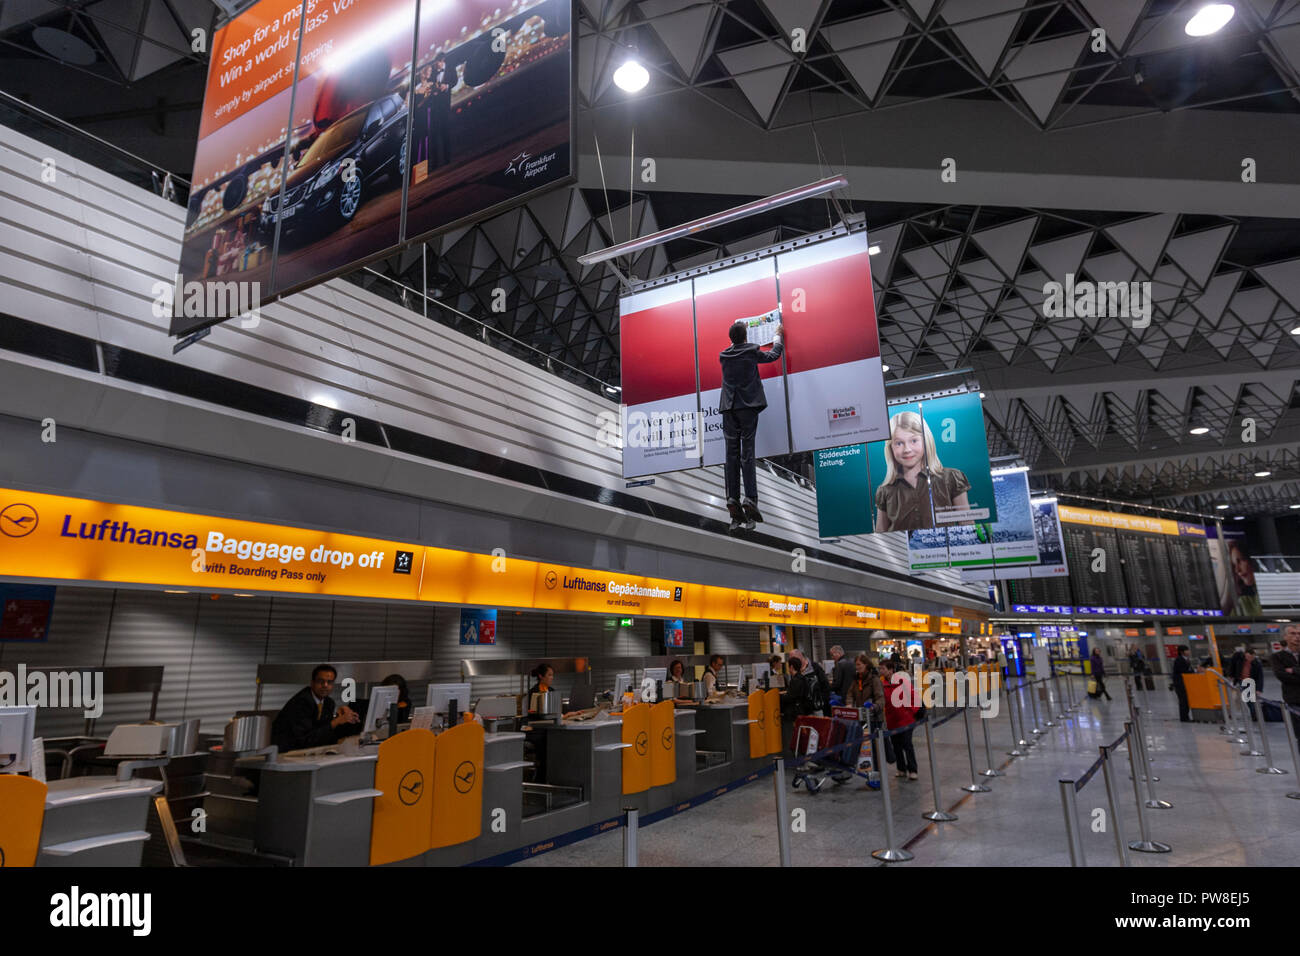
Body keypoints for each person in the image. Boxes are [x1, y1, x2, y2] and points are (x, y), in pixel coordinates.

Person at [718, 316, 784, 532]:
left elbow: (734, 345)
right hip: (748, 406)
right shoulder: (751, 352)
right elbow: (774, 355)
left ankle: (732, 497)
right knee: (747, 453)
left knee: (731, 455)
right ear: (746, 336)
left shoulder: (724, 356)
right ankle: (751, 499)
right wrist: (778, 336)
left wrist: (738, 330)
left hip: (729, 408)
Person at [873, 410, 971, 532]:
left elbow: (967, 524)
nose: (907, 449)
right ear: (890, 448)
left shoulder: (951, 478)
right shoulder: (885, 490)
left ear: (926, 441)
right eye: (899, 443)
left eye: (914, 441)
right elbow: (880, 533)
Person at [271, 663, 360, 752]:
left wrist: (342, 718)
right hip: (285, 753)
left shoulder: (329, 703)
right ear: (312, 682)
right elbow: (306, 739)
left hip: (307, 753)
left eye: (329, 682)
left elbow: (324, 733)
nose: (325, 685)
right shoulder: (301, 702)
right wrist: (336, 721)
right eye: (321, 681)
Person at [879, 659, 919, 780]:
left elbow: (913, 697)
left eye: (883, 669)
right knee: (896, 745)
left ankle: (913, 769)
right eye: (880, 668)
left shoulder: (902, 681)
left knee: (907, 744)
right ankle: (901, 769)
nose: (880, 671)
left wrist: (912, 711)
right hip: (892, 720)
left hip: (906, 719)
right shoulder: (881, 684)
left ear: (891, 670)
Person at [1270, 624, 1300, 736]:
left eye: (1299, 634)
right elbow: (1281, 675)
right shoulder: (1277, 657)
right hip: (1294, 700)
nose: (1297, 636)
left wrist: (1294, 671)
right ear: (1285, 637)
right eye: (1293, 633)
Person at [427, 55, 453, 168]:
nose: (436, 65)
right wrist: (434, 91)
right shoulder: (432, 72)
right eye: (435, 62)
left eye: (438, 62)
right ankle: (435, 162)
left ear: (443, 61)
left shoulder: (450, 69)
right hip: (434, 108)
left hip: (445, 106)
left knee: (445, 133)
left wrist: (446, 86)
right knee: (434, 135)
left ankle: (447, 159)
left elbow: (454, 81)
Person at [1171, 645, 1198, 722]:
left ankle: (1186, 716)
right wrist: (1194, 671)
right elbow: (1183, 671)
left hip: (1186, 683)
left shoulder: (1186, 659)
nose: (1188, 652)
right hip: (1180, 683)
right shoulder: (1179, 660)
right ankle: (1184, 718)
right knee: (1183, 700)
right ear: (1182, 652)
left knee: (1186, 700)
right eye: (1187, 650)